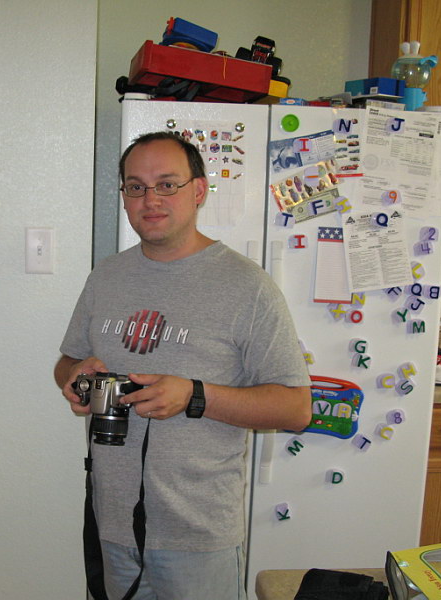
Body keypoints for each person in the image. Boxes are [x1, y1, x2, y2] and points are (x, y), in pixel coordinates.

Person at [54, 131, 311, 600]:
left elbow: (296, 409)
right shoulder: (106, 276)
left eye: (167, 184)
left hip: (199, 536)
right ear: (124, 197)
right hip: (112, 524)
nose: (150, 199)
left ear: (199, 191)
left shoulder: (247, 286)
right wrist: (75, 377)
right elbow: (68, 361)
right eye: (136, 187)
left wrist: (194, 395)